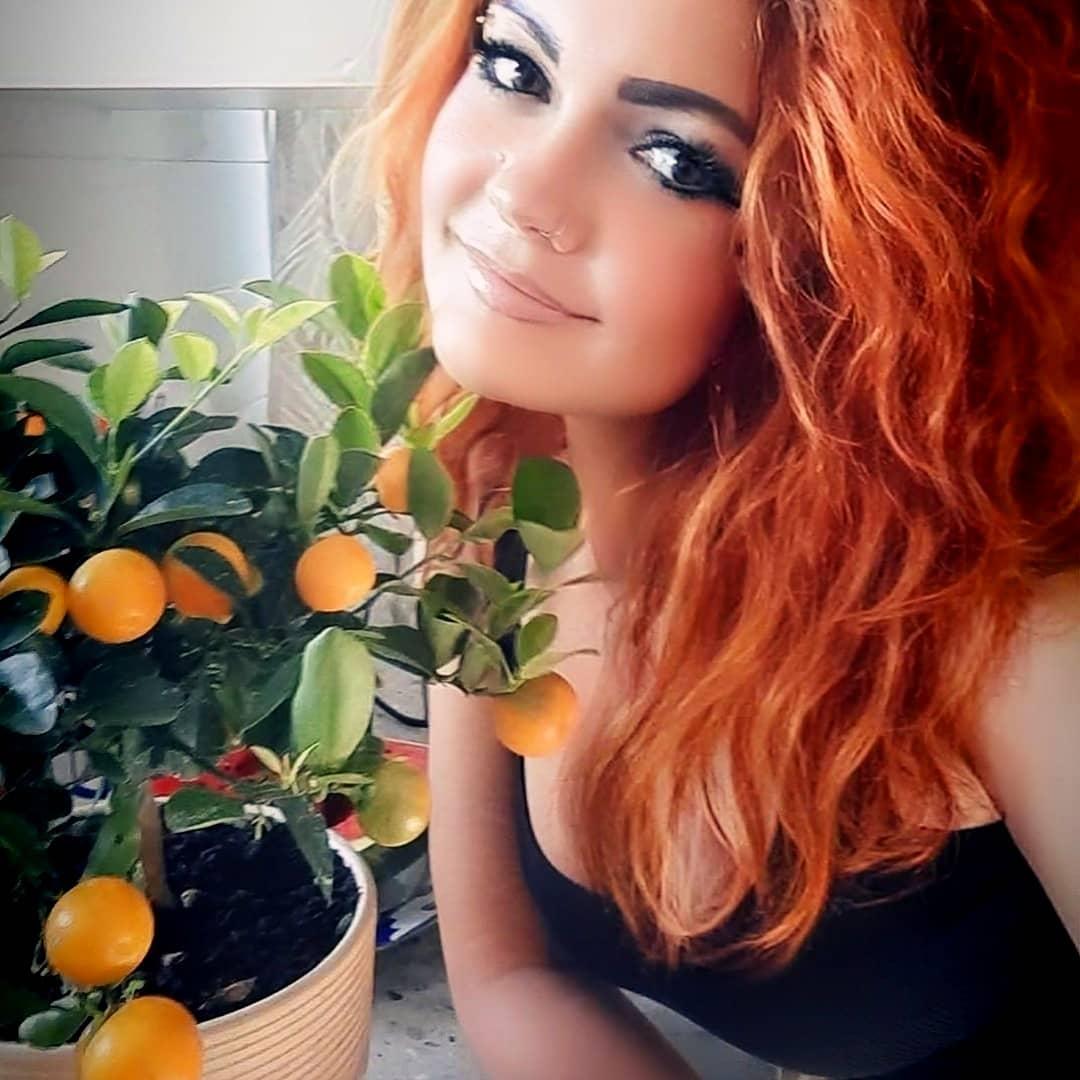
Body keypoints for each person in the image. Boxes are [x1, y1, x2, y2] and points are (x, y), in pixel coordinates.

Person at [348, 1, 1079, 1075]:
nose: (525, 193)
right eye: (514, 66)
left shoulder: (1001, 619)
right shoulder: (481, 501)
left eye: (678, 160)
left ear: (843, 261)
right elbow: (509, 973)